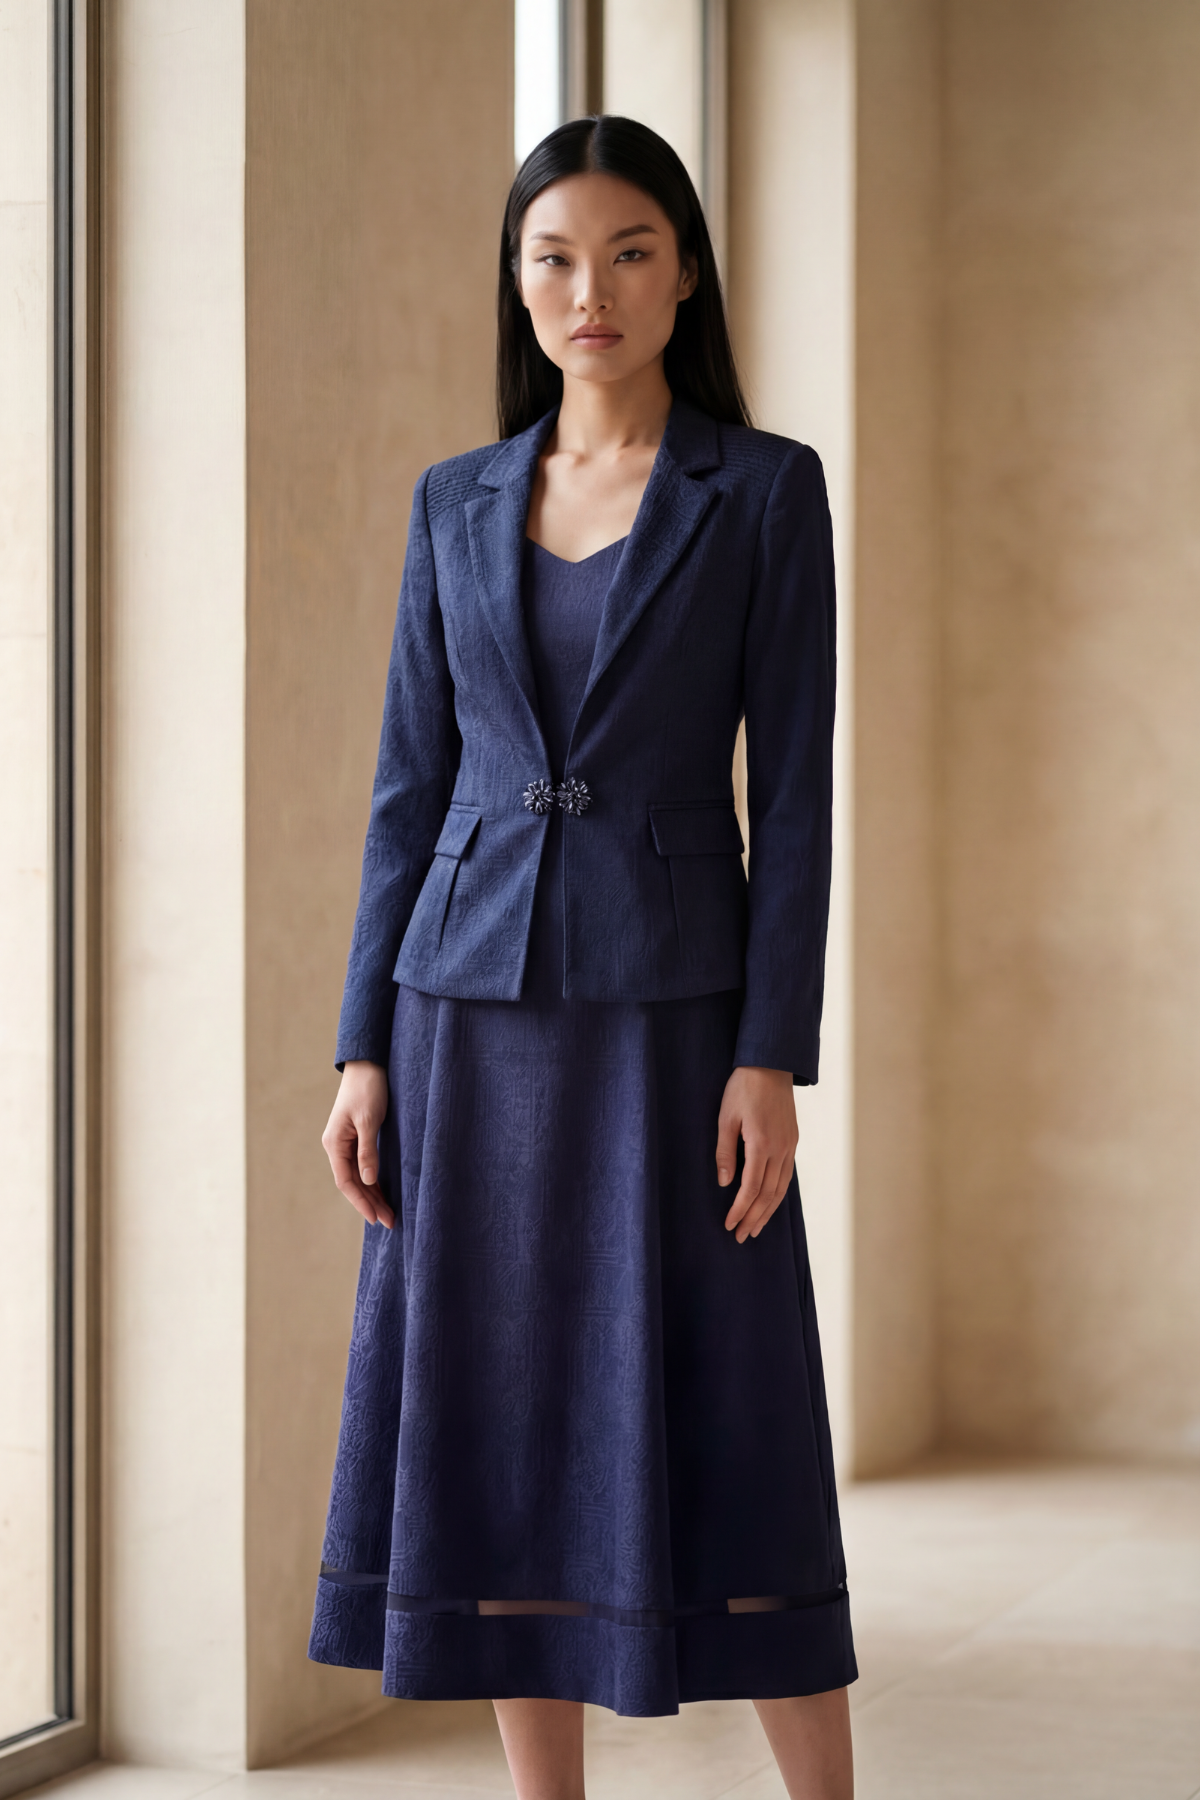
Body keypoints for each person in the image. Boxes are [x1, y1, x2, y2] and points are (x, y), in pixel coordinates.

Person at [310, 115, 856, 1800]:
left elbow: (803, 791)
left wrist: (774, 1050)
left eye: (628, 251)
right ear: (518, 280)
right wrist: (360, 1046)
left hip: (680, 1021)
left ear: (683, 271)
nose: (589, 288)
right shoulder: (454, 499)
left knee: (738, 1410)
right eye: (554, 255)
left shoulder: (760, 489)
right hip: (462, 1015)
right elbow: (410, 789)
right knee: (494, 1413)